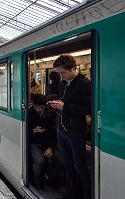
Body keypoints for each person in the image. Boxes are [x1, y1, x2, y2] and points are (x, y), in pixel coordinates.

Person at [50, 54, 91, 199]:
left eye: (63, 72)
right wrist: (57, 105)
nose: (61, 76)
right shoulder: (62, 83)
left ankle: (86, 195)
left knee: (80, 166)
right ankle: (72, 194)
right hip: (61, 130)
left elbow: (89, 109)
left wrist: (65, 106)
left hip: (75, 132)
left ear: (73, 68)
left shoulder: (85, 84)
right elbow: (63, 102)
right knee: (68, 166)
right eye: (59, 73)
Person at [28, 93, 63, 189]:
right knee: (40, 161)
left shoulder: (49, 115)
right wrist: (34, 131)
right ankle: (36, 179)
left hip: (46, 143)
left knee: (60, 162)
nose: (41, 110)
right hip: (33, 142)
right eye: (39, 108)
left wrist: (50, 147)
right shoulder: (28, 115)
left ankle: (48, 176)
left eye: (43, 108)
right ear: (34, 105)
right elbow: (25, 135)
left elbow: (52, 133)